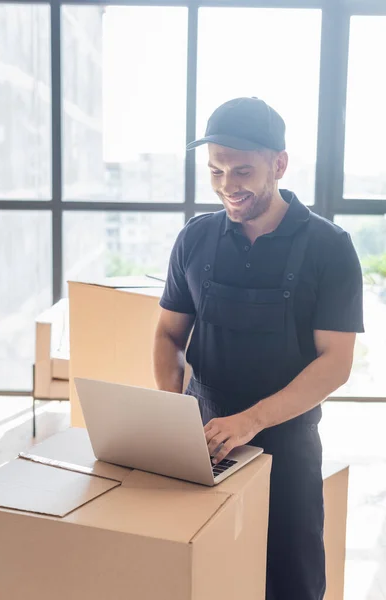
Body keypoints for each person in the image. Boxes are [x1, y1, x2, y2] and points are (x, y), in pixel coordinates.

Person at [153, 97, 364, 600]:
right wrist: (172, 405)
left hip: (286, 451)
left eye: (242, 170)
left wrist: (250, 420)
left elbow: (335, 363)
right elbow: (167, 336)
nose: (229, 185)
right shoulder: (195, 238)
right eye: (216, 171)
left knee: (289, 583)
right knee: (202, 579)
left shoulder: (329, 248)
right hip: (202, 444)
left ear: (280, 164)